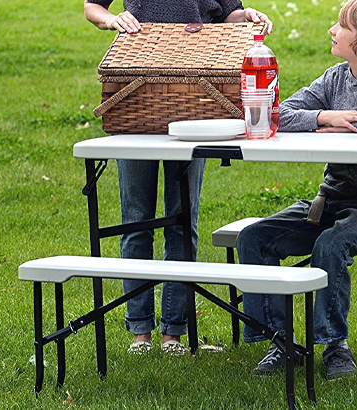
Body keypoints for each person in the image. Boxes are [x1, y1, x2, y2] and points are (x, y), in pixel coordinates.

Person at [236, 0, 357, 379]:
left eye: (341, 26)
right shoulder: (335, 78)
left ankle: (336, 345)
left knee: (331, 245)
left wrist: (355, 126)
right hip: (329, 201)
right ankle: (282, 343)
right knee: (253, 238)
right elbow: (276, 112)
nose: (332, 31)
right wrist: (324, 117)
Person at [84, 0, 273, 354]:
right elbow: (91, 7)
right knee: (136, 221)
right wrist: (111, 19)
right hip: (136, 96)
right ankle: (140, 332)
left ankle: (173, 333)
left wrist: (245, 18)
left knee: (183, 222)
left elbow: (226, 14)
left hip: (195, 104)